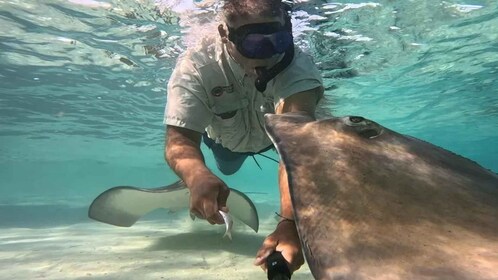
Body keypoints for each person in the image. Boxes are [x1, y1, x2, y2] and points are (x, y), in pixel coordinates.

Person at [163, 0, 324, 274]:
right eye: (254, 44)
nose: (267, 55)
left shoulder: (296, 64)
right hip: (226, 146)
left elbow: (296, 142)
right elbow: (180, 140)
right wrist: (196, 174)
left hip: (273, 142)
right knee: (227, 166)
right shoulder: (197, 66)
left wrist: (290, 221)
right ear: (225, 34)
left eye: (279, 41)